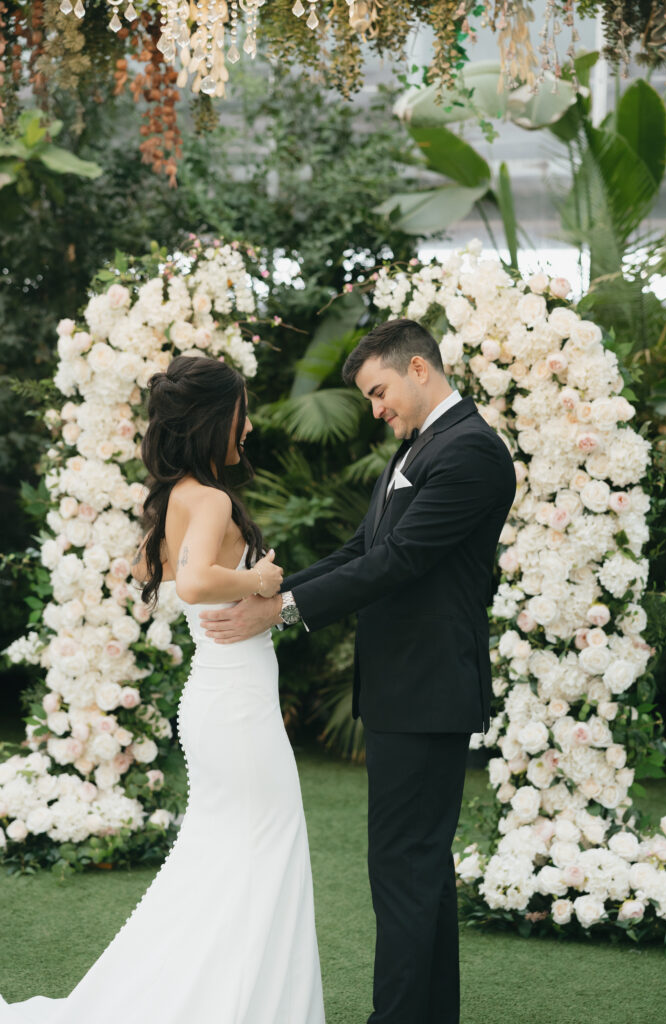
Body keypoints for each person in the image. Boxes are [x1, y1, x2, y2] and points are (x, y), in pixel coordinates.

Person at [200, 318, 517, 1024]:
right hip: (408, 689)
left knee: (403, 870)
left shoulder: (468, 452)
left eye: (379, 392)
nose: (375, 410)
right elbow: (358, 548)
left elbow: (397, 562)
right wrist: (272, 595)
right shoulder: (423, 445)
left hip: (427, 687)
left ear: (418, 369)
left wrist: (278, 615)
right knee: (419, 871)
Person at [0, 354, 325, 1024]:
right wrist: (262, 582)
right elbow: (199, 580)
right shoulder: (205, 499)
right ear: (214, 419)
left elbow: (156, 565)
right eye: (240, 414)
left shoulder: (177, 496)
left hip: (218, 699)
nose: (249, 427)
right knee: (267, 845)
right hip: (233, 706)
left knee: (223, 859)